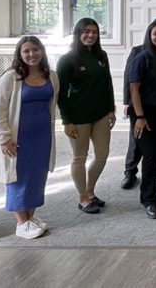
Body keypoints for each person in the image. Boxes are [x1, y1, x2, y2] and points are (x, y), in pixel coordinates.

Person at [0, 36, 59, 239]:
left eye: (35, 50)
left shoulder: (52, 76)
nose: (31, 54)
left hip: (43, 136)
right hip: (18, 138)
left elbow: (52, 105)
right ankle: (21, 223)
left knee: (37, 177)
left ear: (42, 51)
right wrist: (3, 138)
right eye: (26, 51)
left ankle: (30, 218)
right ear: (20, 54)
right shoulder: (11, 77)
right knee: (17, 178)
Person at [57, 18, 116, 214]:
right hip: (78, 117)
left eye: (94, 32)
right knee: (79, 158)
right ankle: (83, 198)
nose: (90, 35)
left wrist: (111, 109)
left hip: (101, 115)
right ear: (78, 33)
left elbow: (108, 83)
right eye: (86, 31)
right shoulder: (67, 60)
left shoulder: (101, 55)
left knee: (102, 155)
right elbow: (61, 95)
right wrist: (66, 121)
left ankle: (90, 191)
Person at [120, 17, 156, 189]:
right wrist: (134, 110)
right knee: (141, 147)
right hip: (142, 111)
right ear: (149, 35)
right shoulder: (140, 54)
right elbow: (131, 83)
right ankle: (131, 173)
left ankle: (152, 184)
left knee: (154, 151)